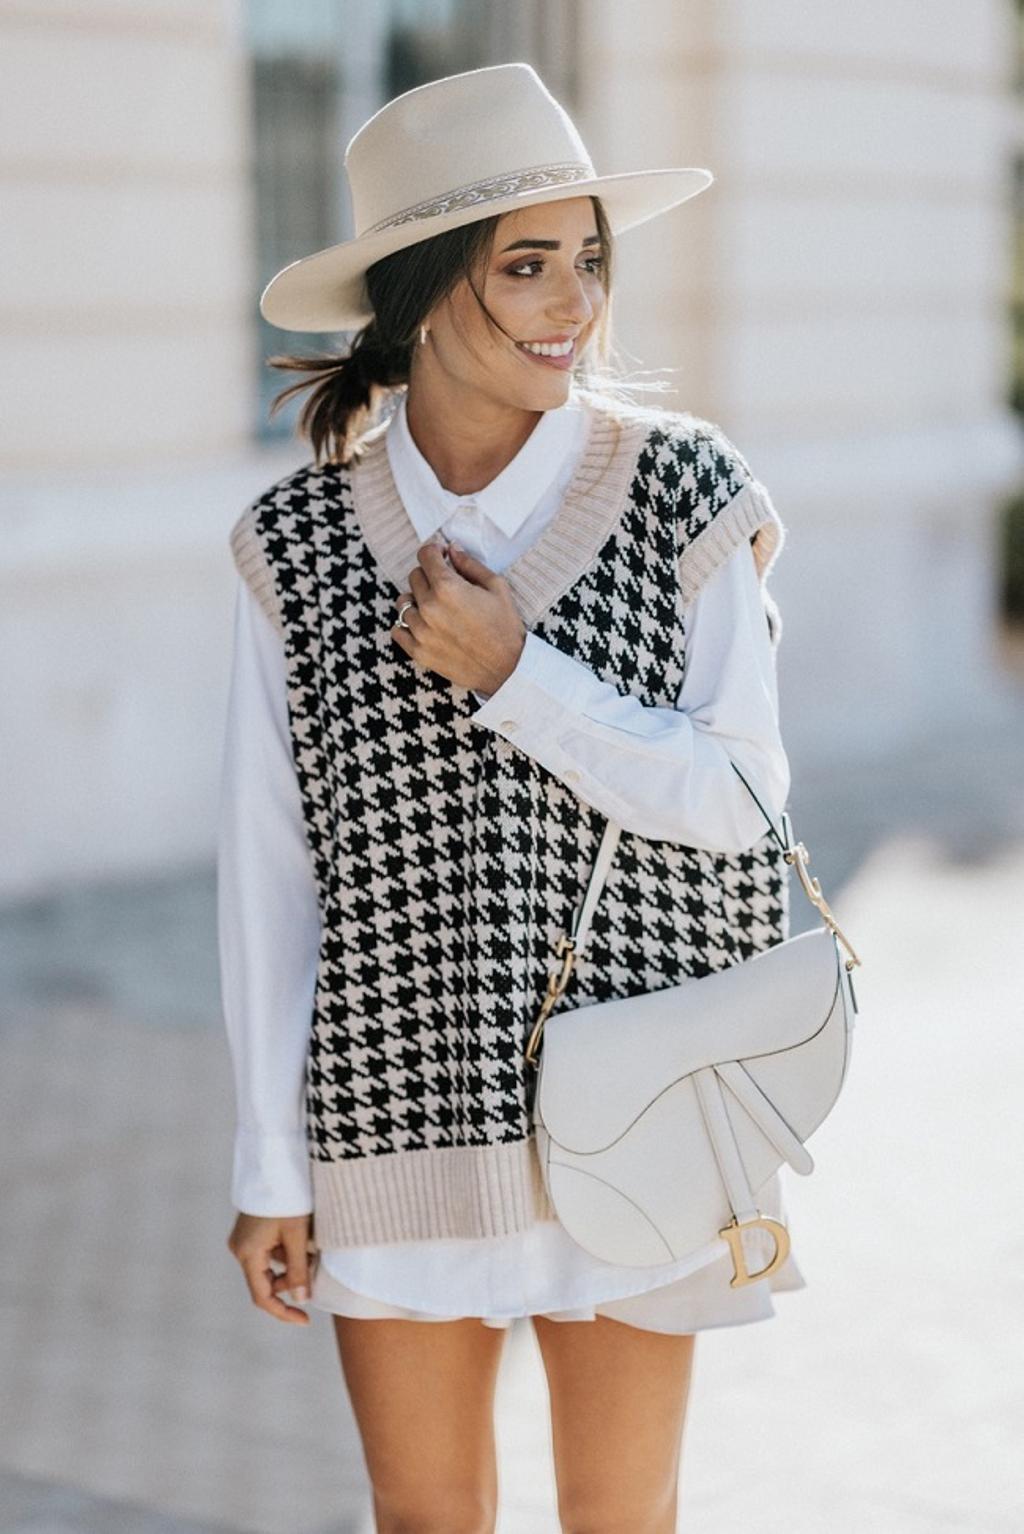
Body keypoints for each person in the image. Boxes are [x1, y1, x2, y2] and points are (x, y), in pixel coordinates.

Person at [219, 62, 805, 1534]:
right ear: (418, 298)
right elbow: (272, 871)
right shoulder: (294, 547)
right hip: (392, 1119)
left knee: (623, 1521)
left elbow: (742, 798)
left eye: (588, 261)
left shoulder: (686, 492)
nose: (573, 304)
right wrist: (266, 1160)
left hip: (641, 1112)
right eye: (526, 265)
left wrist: (515, 675)